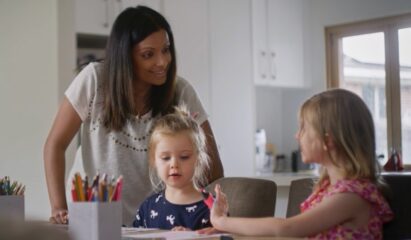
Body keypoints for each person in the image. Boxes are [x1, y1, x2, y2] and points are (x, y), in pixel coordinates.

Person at [43, 5, 224, 225]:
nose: (162, 62)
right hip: (92, 218)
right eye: (148, 54)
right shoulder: (94, 80)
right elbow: (55, 144)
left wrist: (195, 211)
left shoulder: (180, 91)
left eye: (166, 50)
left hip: (154, 222)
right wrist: (58, 208)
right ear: (125, 56)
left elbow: (213, 167)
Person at [206, 89, 393, 239]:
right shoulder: (329, 188)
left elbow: (287, 228)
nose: (297, 135)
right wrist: (232, 232)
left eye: (303, 128)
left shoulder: (351, 196)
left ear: (328, 140)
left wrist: (221, 222)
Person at [133, 105, 212, 230]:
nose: (174, 164)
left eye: (184, 157)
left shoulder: (212, 208)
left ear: (198, 159)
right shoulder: (148, 207)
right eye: (165, 158)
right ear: (154, 161)